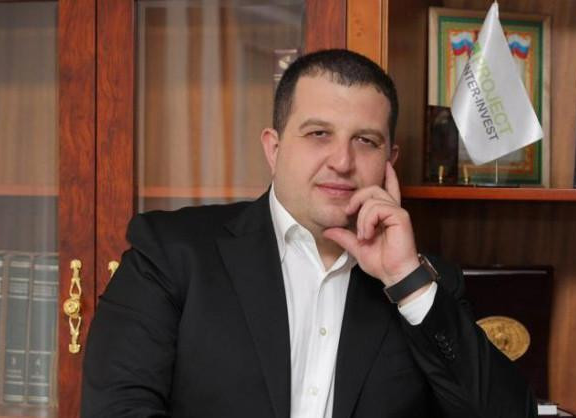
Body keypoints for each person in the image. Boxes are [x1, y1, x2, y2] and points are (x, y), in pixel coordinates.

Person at [81, 49, 537, 418]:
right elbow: (117, 409)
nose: (342, 161)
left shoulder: (426, 284)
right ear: (274, 148)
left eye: (365, 141)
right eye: (319, 133)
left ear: (389, 162)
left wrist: (405, 281)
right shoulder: (170, 253)